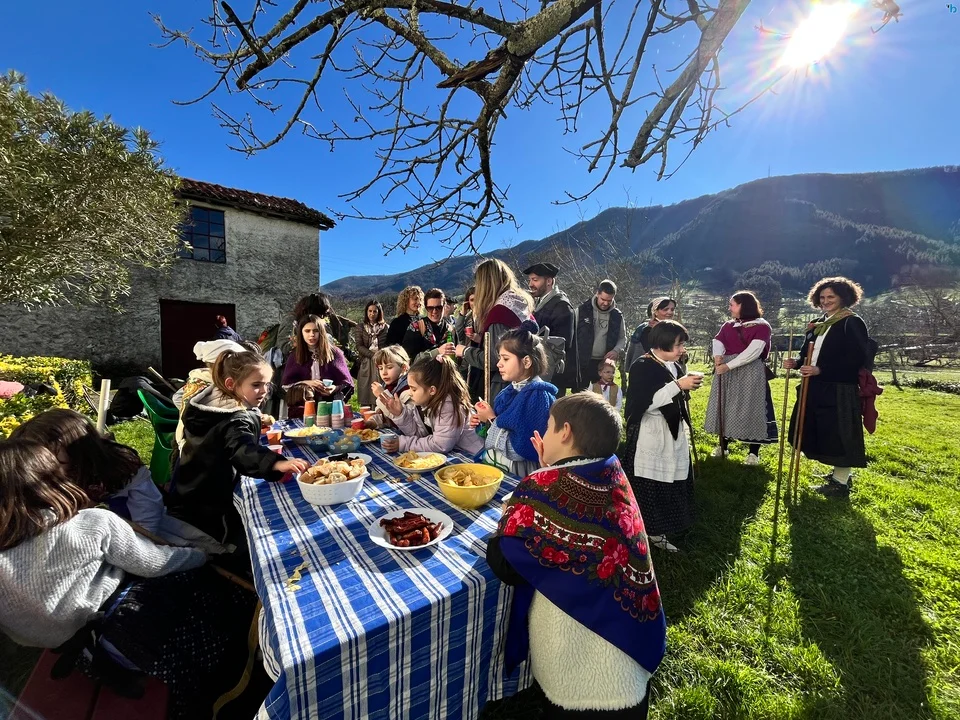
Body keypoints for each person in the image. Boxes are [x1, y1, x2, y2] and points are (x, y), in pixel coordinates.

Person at [0, 440, 255, 719]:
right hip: (133, 638)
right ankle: (242, 654)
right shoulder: (90, 523)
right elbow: (156, 563)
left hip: (77, 650)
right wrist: (198, 555)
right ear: (52, 482)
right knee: (191, 580)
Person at [486, 393, 666, 718]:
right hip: (629, 659)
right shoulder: (613, 473)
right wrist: (550, 470)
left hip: (578, 677)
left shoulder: (542, 486)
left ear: (565, 432)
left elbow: (504, 562)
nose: (545, 434)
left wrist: (519, 501)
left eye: (549, 427)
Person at [10, 409, 228, 553]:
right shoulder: (40, 473)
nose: (45, 465)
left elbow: (148, 512)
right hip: (79, 521)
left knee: (167, 545)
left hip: (131, 516)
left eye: (53, 458)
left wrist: (142, 547)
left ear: (80, 452)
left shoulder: (121, 467)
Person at [171, 349, 308, 546]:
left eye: (267, 384)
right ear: (231, 384)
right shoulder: (235, 419)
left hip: (192, 487)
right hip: (213, 500)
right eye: (256, 385)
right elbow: (241, 449)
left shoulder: (210, 404)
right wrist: (276, 463)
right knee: (218, 545)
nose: (264, 391)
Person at [784, 276, 874, 498]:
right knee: (823, 431)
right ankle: (838, 475)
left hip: (839, 387)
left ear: (843, 297)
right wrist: (797, 362)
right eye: (822, 297)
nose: (825, 301)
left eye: (830, 297)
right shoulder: (818, 323)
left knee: (841, 434)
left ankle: (840, 483)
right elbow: (807, 353)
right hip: (815, 386)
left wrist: (821, 369)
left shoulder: (851, 322)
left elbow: (856, 358)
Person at [622, 321, 703, 553]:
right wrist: (678, 385)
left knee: (672, 477)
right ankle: (649, 531)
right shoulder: (642, 366)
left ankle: (667, 525)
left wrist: (684, 384)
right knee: (652, 482)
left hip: (672, 429)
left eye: (682, 344)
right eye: (678, 345)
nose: (682, 349)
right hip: (652, 431)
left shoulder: (673, 365)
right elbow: (645, 404)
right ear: (662, 343)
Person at [471, 323, 557, 476]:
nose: (499, 364)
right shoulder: (509, 392)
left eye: (505, 358)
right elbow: (497, 431)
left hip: (519, 472)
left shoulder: (538, 397)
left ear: (526, 362)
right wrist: (482, 422)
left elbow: (521, 448)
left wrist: (491, 419)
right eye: (499, 358)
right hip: (499, 466)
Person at [704, 291, 778, 465]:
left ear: (743, 305)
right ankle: (723, 446)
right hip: (726, 371)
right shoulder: (729, 325)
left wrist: (728, 366)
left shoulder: (762, 326)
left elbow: (753, 351)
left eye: (732, 304)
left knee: (752, 407)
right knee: (725, 406)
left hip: (750, 371)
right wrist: (717, 356)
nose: (729, 308)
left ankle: (753, 453)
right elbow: (718, 340)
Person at [455, 259, 535, 404]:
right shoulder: (518, 304)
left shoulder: (500, 312)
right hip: (522, 382)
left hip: (503, 388)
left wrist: (464, 351)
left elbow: (493, 359)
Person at [380, 355, 484, 456]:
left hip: (476, 456)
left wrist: (404, 444)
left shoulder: (448, 406)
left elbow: (440, 445)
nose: (410, 393)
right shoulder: (425, 402)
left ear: (432, 390)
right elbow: (419, 435)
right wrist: (400, 414)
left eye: (414, 389)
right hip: (457, 453)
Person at [282, 314, 354, 418]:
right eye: (307, 331)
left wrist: (334, 388)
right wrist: (307, 383)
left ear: (321, 332)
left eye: (315, 331)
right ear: (301, 333)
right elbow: (287, 385)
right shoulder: (295, 355)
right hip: (303, 408)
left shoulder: (335, 353)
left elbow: (347, 383)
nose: (312, 335)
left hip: (330, 406)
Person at [525, 262, 577, 395]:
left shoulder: (562, 306)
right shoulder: (539, 301)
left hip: (551, 376)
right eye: (530, 280)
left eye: (535, 280)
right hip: (539, 371)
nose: (530, 284)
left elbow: (561, 345)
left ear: (549, 281)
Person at [576, 279, 625, 388]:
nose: (606, 303)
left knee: (602, 394)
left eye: (609, 300)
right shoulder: (582, 310)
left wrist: (616, 350)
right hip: (582, 361)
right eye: (603, 299)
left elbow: (622, 338)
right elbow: (572, 335)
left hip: (604, 364)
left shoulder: (617, 316)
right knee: (580, 393)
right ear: (597, 294)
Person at [624, 297, 677, 394]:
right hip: (649, 377)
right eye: (665, 309)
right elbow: (657, 353)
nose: (670, 312)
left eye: (672, 309)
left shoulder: (673, 328)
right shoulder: (646, 330)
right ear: (655, 312)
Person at [402, 288, 456, 362]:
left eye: (438, 307)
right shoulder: (416, 327)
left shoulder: (450, 329)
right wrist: (437, 352)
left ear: (444, 306)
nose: (434, 311)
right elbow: (408, 359)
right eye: (430, 308)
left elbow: (458, 357)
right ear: (426, 308)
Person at [366, 345, 414, 430]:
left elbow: (404, 420)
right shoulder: (389, 386)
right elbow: (387, 417)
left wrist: (382, 395)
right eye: (380, 368)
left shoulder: (410, 389)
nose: (384, 372)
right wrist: (374, 422)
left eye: (389, 367)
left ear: (404, 368)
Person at [352, 300, 389, 407]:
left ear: (379, 313)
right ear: (366, 312)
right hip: (366, 362)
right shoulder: (360, 327)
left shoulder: (385, 328)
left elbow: (388, 345)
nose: (372, 314)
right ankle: (366, 413)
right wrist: (373, 355)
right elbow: (359, 346)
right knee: (366, 391)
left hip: (381, 362)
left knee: (380, 389)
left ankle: (380, 411)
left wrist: (380, 355)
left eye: (375, 311)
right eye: (370, 311)